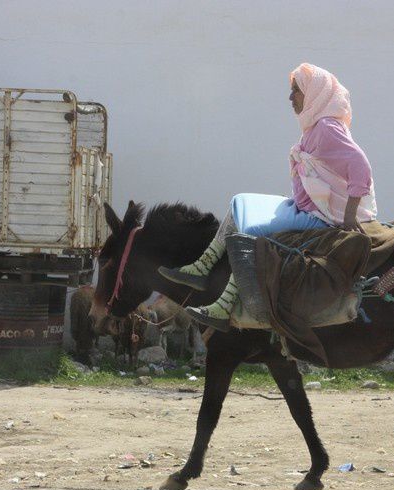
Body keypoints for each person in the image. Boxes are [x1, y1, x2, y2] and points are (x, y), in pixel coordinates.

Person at [159, 63, 377, 331]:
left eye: (296, 90)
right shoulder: (316, 126)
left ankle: (224, 306)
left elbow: (360, 166)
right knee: (239, 201)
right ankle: (202, 267)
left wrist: (349, 217)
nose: (290, 98)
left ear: (314, 94)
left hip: (319, 216)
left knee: (251, 230)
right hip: (303, 206)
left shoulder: (326, 128)